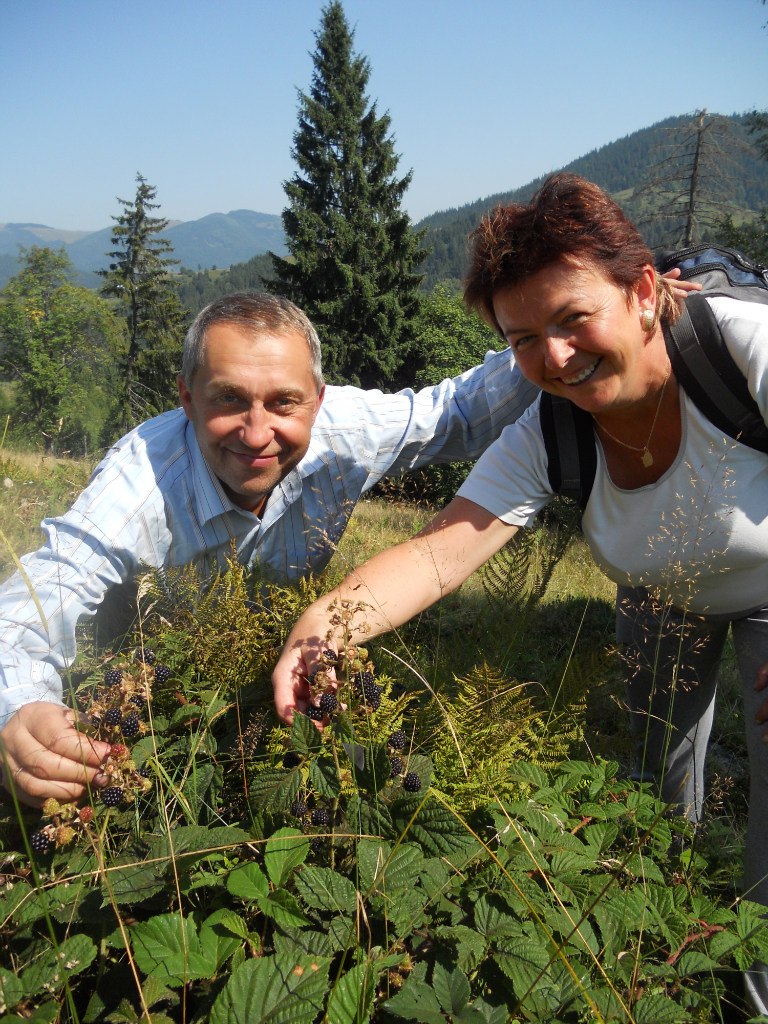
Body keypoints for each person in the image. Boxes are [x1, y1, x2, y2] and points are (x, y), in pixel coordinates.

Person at [272, 174, 768, 1015]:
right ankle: (658, 931)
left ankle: (754, 995)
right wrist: (325, 626)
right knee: (656, 773)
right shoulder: (550, 428)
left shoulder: (743, 351)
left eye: (575, 318)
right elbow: (437, 555)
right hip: (659, 594)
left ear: (643, 291)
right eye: (525, 337)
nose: (557, 357)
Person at [0, 291, 543, 809]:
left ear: (319, 400)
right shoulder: (139, 487)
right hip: (156, 703)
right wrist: (21, 710)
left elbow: (460, 413)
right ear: (187, 398)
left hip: (290, 679)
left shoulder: (346, 429)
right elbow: (37, 601)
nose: (257, 434)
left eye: (284, 401)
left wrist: (553, 340)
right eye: (228, 399)